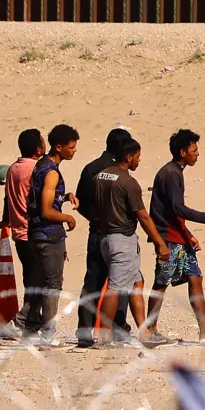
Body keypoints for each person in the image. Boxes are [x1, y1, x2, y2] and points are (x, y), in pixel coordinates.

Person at [145, 128, 205, 344]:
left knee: (195, 277)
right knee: (161, 282)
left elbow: (174, 212)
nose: (197, 154)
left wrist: (188, 234)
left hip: (178, 236)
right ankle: (149, 330)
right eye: (194, 150)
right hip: (167, 239)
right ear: (183, 152)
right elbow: (178, 209)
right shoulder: (171, 174)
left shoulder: (175, 172)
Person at [90, 138, 171, 347]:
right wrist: (160, 243)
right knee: (115, 289)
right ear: (129, 157)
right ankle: (104, 336)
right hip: (122, 240)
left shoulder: (100, 176)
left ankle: (144, 332)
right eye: (137, 157)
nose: (139, 161)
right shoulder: (128, 182)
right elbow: (143, 217)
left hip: (104, 237)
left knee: (137, 282)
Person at [74, 127, 134, 347]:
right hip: (117, 234)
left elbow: (79, 202)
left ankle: (84, 330)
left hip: (96, 232)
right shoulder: (118, 170)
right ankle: (119, 328)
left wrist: (94, 219)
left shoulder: (90, 168)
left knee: (92, 282)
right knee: (121, 283)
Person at [20, 124, 79, 344]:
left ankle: (27, 326)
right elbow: (45, 209)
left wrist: (66, 197)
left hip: (36, 233)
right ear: (59, 147)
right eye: (71, 147)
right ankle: (48, 333)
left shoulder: (41, 166)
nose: (74, 151)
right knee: (53, 285)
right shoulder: (51, 172)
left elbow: (43, 199)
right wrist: (68, 218)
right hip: (48, 235)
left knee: (42, 283)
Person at [1, 129, 45, 338]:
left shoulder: (13, 168)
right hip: (34, 232)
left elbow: (7, 198)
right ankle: (20, 322)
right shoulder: (37, 169)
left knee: (32, 279)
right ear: (38, 149)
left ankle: (32, 324)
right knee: (42, 281)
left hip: (18, 232)